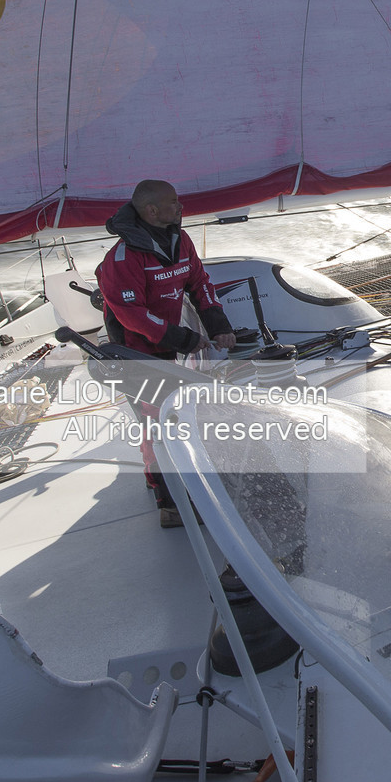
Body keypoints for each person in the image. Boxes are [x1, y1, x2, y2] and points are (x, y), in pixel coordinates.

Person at [96, 179, 236, 525]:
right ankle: (170, 502)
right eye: (173, 202)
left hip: (170, 347)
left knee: (182, 416)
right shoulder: (121, 260)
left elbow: (199, 282)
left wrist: (218, 325)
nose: (180, 207)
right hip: (136, 353)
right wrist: (186, 340)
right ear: (151, 211)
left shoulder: (179, 240)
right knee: (156, 424)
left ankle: (193, 478)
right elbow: (133, 316)